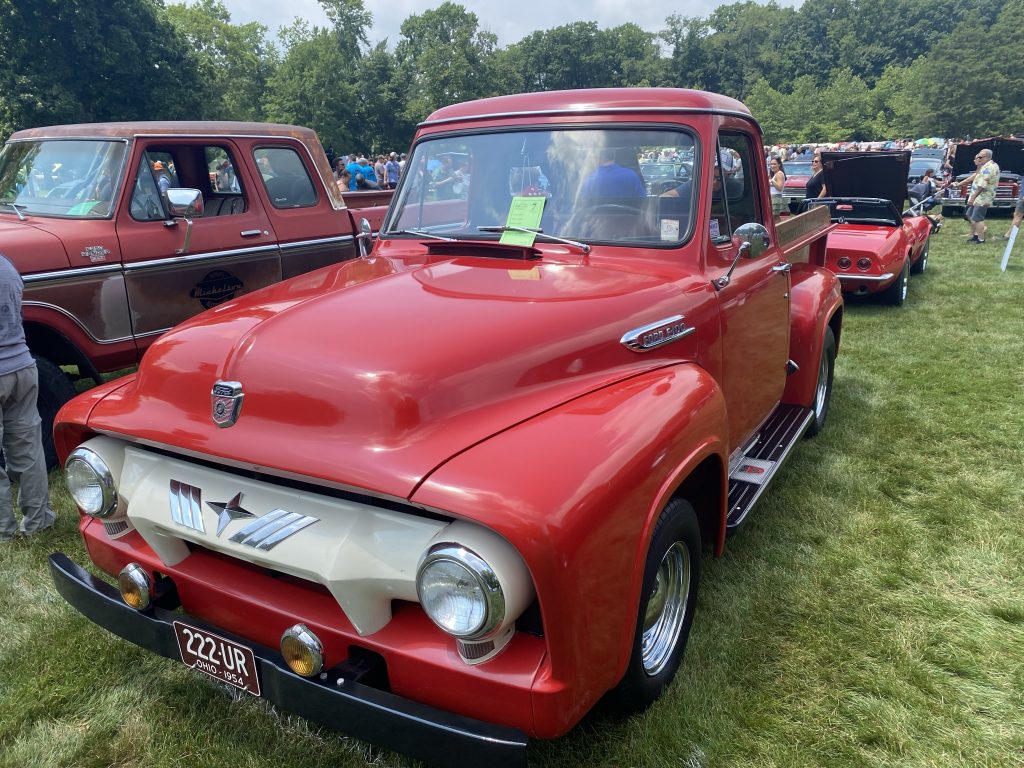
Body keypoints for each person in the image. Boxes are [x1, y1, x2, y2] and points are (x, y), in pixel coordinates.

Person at [0, 254, 55, 542]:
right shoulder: (7, 265)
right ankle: (39, 519)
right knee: (28, 447)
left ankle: (3, 531)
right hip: (22, 365)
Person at [960, 148, 999, 243]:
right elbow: (977, 174)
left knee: (978, 218)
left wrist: (972, 198)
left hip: (983, 197)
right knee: (970, 215)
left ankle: (981, 239)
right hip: (978, 196)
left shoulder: (988, 168)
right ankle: (975, 235)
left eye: (980, 157)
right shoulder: (985, 166)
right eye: (978, 156)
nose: (978, 158)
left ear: (987, 157)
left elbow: (982, 185)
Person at [580, 147, 645, 198]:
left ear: (598, 157)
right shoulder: (632, 176)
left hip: (598, 215)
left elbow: (583, 206)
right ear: (614, 156)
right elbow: (643, 202)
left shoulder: (589, 180)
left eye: (593, 156)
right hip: (630, 215)